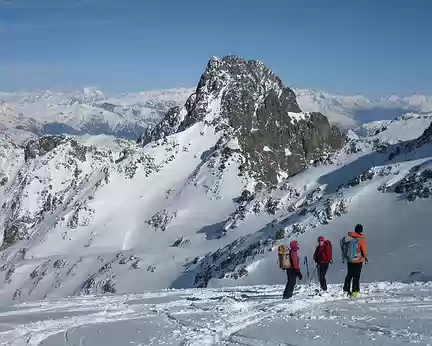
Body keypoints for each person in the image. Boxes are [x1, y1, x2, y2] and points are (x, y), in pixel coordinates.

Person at [340, 224, 369, 297]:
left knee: (349, 275)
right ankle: (355, 292)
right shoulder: (361, 238)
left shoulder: (348, 238)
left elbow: (343, 247)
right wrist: (365, 257)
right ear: (361, 230)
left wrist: (344, 257)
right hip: (358, 261)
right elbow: (364, 249)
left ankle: (346, 290)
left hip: (350, 260)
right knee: (356, 276)